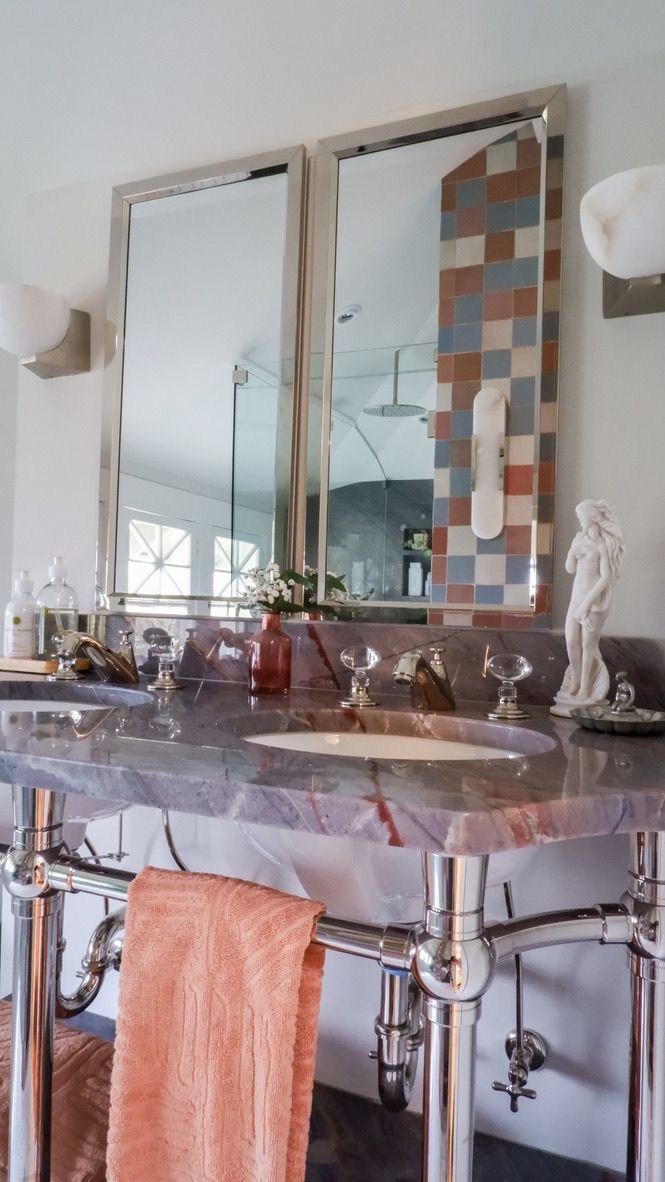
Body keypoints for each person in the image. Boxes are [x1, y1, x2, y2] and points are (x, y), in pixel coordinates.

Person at [557, 500, 624, 706]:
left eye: (581, 516)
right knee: (571, 641)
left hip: (593, 601)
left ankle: (586, 685)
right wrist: (571, 551)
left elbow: (605, 578)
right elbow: (569, 568)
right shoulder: (578, 540)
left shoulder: (602, 545)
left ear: (591, 517)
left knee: (588, 644)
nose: (579, 520)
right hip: (575, 598)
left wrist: (587, 604)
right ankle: (575, 680)